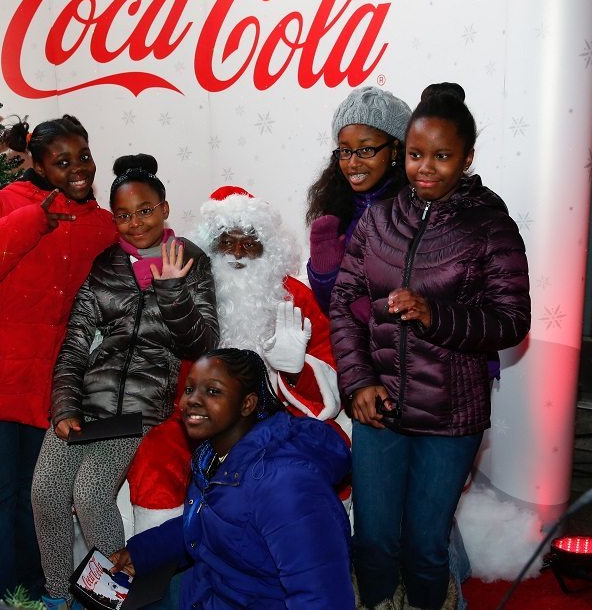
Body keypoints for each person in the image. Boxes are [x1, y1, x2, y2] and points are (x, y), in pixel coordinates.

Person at [330, 83, 531, 610]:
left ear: (466, 157)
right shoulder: (378, 220)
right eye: (417, 154)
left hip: (450, 417)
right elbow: (346, 303)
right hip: (380, 412)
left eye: (442, 156)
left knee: (424, 548)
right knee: (371, 543)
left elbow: (511, 321)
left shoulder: (490, 226)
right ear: (403, 152)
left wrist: (434, 314)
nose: (426, 168)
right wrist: (357, 383)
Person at [0, 115, 117, 602]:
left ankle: (31, 596)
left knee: (35, 502)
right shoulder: (0, 205)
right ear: (36, 165)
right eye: (61, 162)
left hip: (45, 388)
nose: (77, 169)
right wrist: (32, 219)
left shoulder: (99, 224)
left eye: (83, 158)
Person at [31, 154, 219, 610]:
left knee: (92, 495)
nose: (135, 224)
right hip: (87, 402)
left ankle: (110, 601)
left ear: (165, 208)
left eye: (145, 211)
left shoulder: (190, 260)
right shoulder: (105, 265)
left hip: (140, 410)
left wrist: (172, 290)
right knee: (45, 492)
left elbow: (203, 342)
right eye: (123, 215)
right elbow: (75, 341)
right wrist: (64, 407)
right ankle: (59, 597)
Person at [126, 185, 347, 537]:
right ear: (210, 248)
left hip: (279, 417)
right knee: (157, 454)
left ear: (269, 250)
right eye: (226, 242)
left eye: (250, 243)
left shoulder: (295, 296)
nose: (238, 253)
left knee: (324, 451)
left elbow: (332, 372)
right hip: (197, 418)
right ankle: (160, 564)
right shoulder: (188, 293)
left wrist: (295, 371)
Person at [110, 348, 354, 609]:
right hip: (208, 587)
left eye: (213, 391)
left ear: (247, 404)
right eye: (190, 389)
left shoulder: (285, 486)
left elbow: (323, 598)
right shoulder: (213, 456)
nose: (191, 400)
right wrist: (142, 553)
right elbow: (210, 523)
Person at [306, 86, 412, 315]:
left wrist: (371, 310)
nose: (352, 163)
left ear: (395, 150)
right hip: (353, 348)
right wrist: (323, 272)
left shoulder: (417, 209)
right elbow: (330, 308)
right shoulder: (336, 211)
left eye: (365, 150)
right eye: (345, 151)